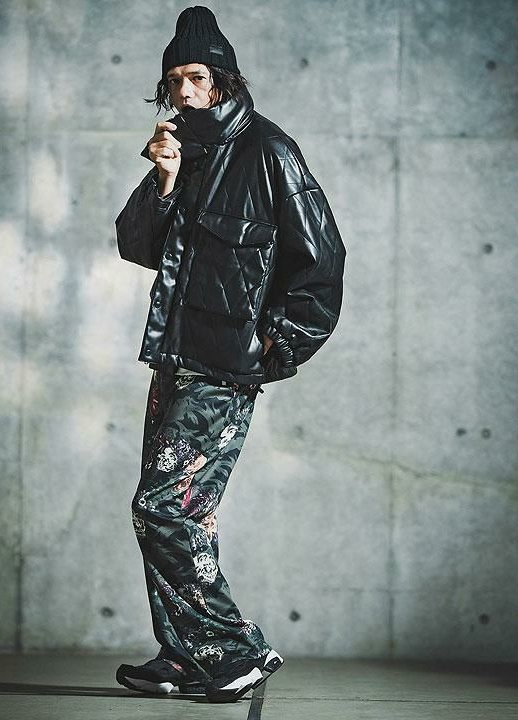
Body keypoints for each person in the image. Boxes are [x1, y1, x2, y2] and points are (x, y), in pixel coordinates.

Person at [114, 5, 346, 704]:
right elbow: (136, 246)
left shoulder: (270, 152)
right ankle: (186, 655)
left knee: (163, 511)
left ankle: (237, 652)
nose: (184, 92)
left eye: (196, 77)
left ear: (223, 79)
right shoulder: (182, 152)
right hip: (174, 361)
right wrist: (164, 179)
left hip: (222, 369)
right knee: (182, 517)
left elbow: (321, 262)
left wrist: (272, 348)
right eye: (173, 81)